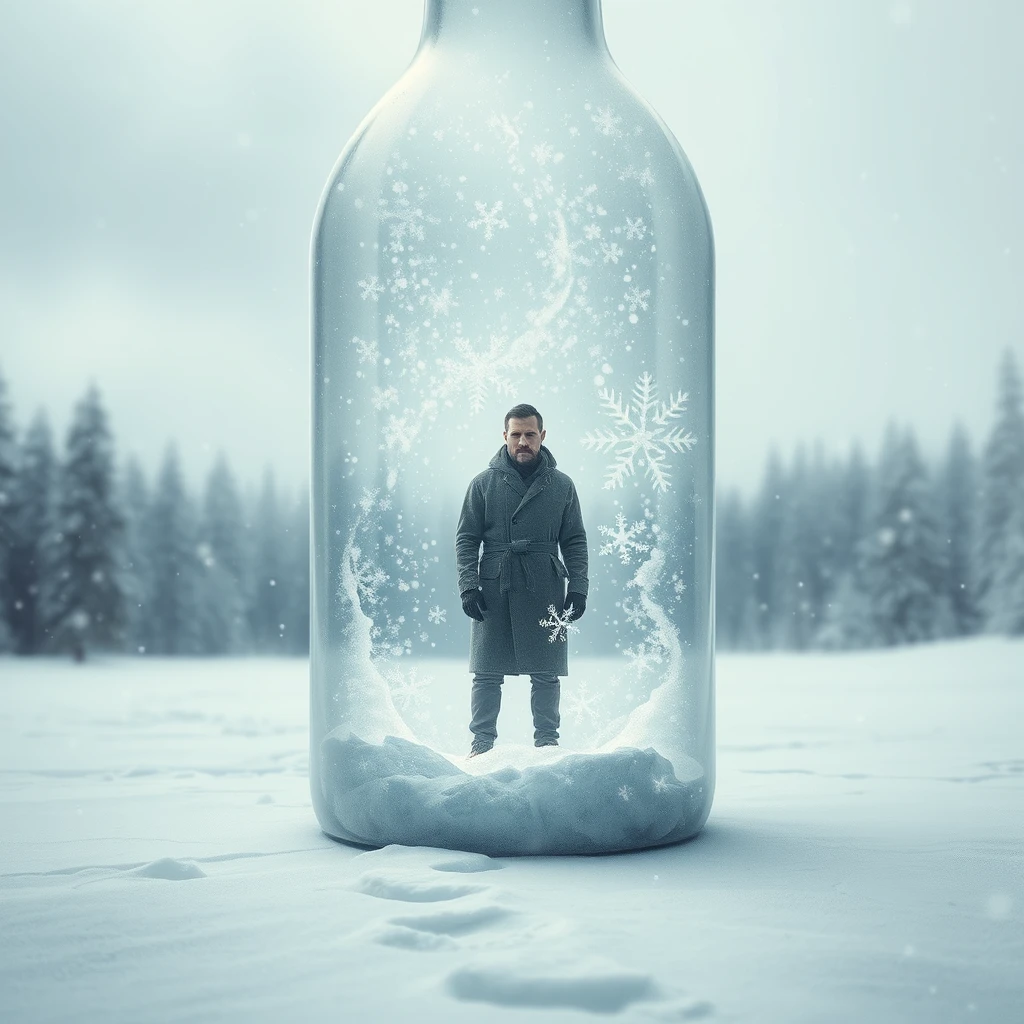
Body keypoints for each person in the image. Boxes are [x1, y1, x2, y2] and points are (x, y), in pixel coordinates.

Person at [455, 403, 589, 758]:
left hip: (544, 583)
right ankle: (481, 745)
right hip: (495, 583)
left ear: (542, 436)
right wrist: (468, 585)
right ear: (505, 436)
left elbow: (574, 539)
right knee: (486, 671)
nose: (523, 441)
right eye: (516, 434)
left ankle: (548, 743)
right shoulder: (482, 484)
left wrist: (578, 587)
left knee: (546, 671)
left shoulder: (562, 485)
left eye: (530, 434)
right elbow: (467, 538)